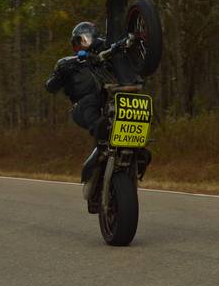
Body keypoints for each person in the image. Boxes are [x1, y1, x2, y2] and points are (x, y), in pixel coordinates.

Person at [45, 21, 150, 213]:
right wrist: (60, 74)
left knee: (134, 101)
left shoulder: (106, 57)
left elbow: (123, 54)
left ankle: (136, 149)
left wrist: (134, 39)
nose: (84, 44)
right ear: (74, 44)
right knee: (94, 109)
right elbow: (50, 86)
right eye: (80, 41)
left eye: (87, 39)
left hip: (109, 103)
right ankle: (101, 144)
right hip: (83, 107)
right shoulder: (67, 64)